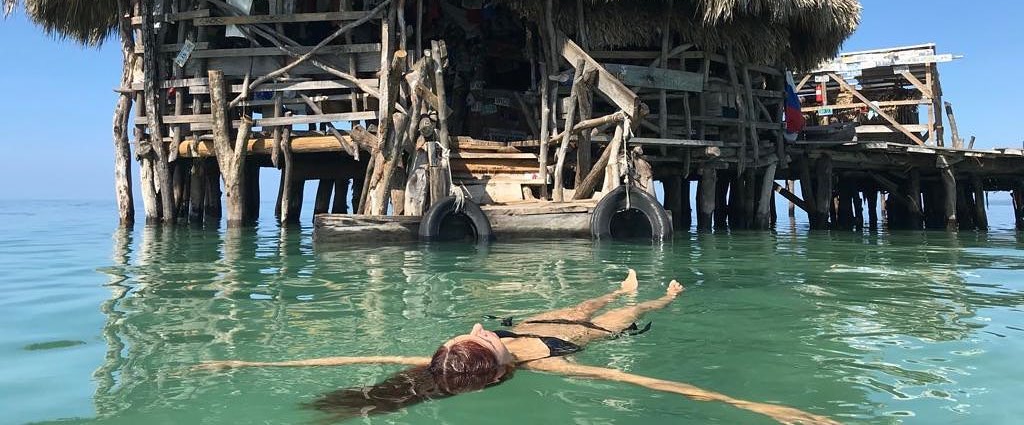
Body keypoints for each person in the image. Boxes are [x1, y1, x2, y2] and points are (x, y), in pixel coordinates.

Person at [197, 270, 841, 424]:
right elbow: (648, 386)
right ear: (491, 360)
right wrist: (761, 408)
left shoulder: (441, 365)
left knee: (584, 302)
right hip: (561, 342)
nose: (474, 328)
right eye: (473, 337)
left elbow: (333, 361)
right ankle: (658, 297)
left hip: (535, 323)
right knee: (620, 317)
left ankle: (618, 284)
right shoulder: (545, 365)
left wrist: (248, 361)